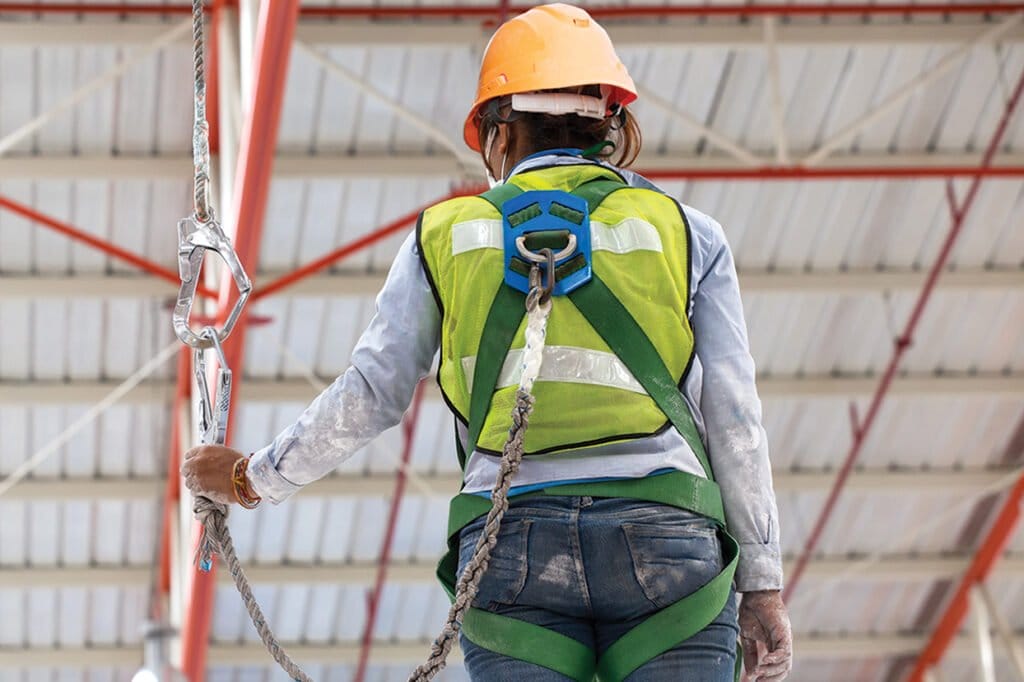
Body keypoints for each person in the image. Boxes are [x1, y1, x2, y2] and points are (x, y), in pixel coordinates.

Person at [182, 4, 792, 681]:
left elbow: (371, 395)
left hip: (511, 544)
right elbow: (735, 419)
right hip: (665, 539)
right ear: (612, 121)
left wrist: (252, 478)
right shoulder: (686, 231)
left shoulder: (445, 234)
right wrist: (762, 583)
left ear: (499, 129)